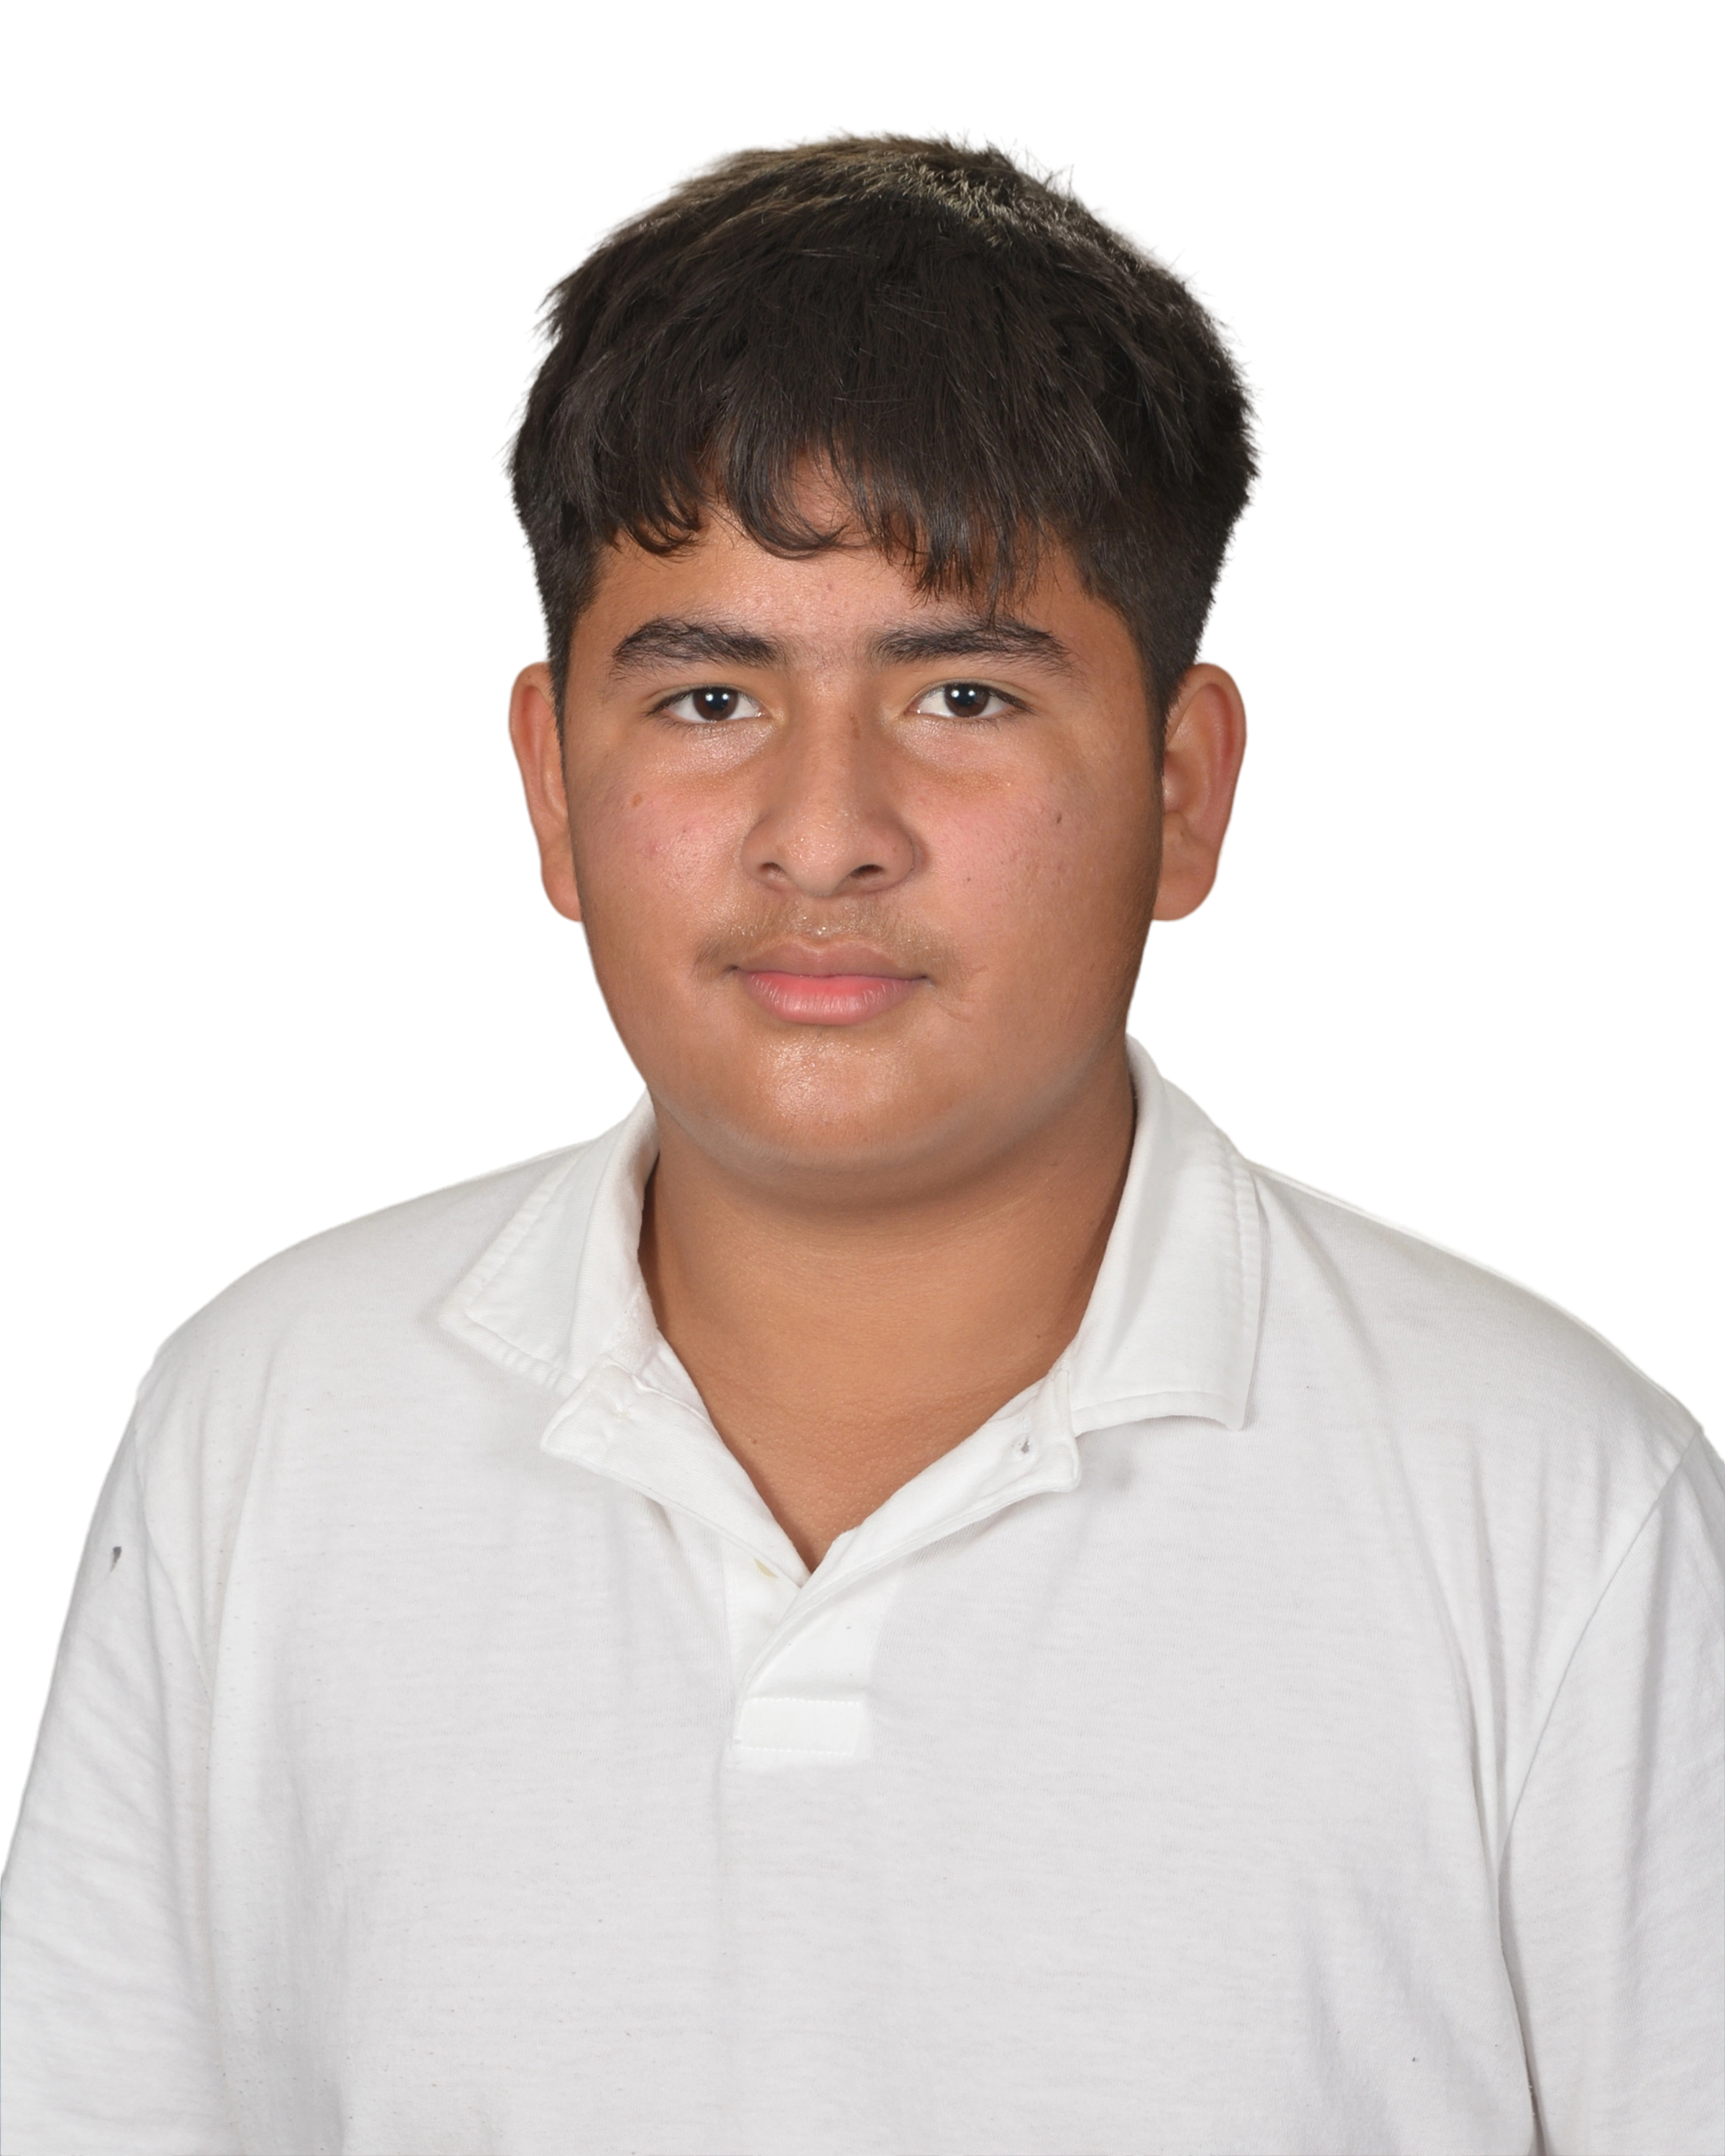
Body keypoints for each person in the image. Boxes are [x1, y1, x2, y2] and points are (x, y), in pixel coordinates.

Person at [2, 124, 1719, 2156]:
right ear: (549, 781)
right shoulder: (264, 1428)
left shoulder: (1554, 1502)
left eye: (965, 696)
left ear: (1186, 789)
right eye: (710, 701)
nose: (824, 838)